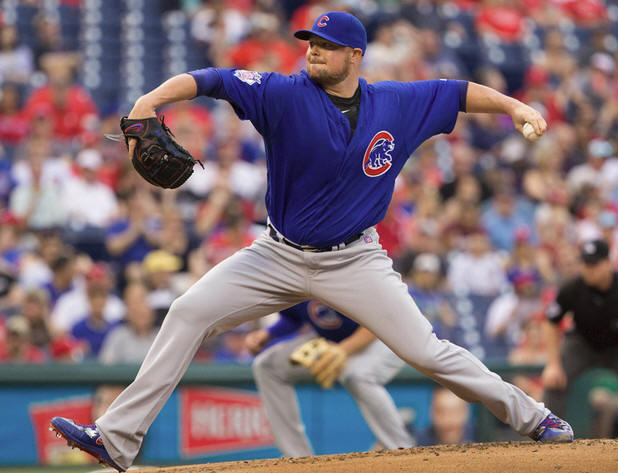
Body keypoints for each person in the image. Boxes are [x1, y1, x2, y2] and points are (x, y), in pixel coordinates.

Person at [50, 11, 573, 471]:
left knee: (428, 352)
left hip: (355, 259)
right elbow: (211, 79)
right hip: (276, 254)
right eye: (311, 43)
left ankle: (535, 418)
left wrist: (515, 107)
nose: (314, 51)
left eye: (326, 46)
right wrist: (149, 100)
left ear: (355, 56)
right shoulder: (282, 94)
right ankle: (116, 439)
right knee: (187, 312)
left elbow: (458, 92)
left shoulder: (395, 103)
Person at [245, 300, 414, 456]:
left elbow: (379, 318)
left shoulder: (347, 277)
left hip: (386, 336)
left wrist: (343, 350)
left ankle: (402, 450)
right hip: (333, 342)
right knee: (268, 366)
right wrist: (268, 333)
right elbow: (294, 317)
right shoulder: (296, 281)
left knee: (357, 375)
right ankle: (297, 459)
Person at [542, 239, 618, 418]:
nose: (588, 269)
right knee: (554, 381)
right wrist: (553, 364)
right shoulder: (573, 288)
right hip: (582, 344)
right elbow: (551, 322)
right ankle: (550, 431)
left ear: (608, 263)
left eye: (594, 264)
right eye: (585, 264)